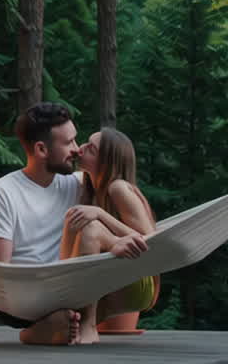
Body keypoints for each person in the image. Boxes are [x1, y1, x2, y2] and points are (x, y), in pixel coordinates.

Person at [0, 103, 147, 345]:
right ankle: (51, 323)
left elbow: (113, 174)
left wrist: (111, 206)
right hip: (23, 298)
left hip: (69, 289)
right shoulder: (3, 191)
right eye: (69, 143)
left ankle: (54, 324)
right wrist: (112, 241)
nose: (77, 149)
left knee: (90, 225)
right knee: (89, 225)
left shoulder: (78, 184)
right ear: (41, 149)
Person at [62, 127, 159, 344]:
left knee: (91, 227)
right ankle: (70, 309)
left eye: (91, 148)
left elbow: (152, 242)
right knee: (73, 220)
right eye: (86, 142)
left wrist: (101, 214)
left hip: (135, 282)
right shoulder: (90, 189)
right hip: (106, 283)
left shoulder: (118, 188)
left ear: (107, 161)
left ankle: (88, 325)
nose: (81, 148)